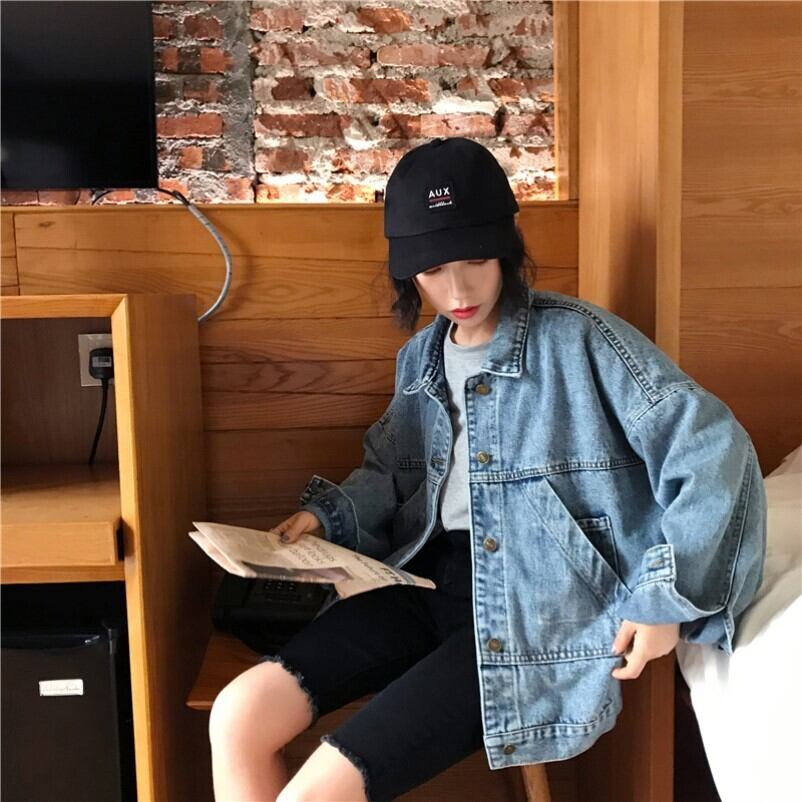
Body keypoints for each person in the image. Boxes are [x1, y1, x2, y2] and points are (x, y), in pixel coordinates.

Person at [208, 137, 767, 802]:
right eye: (433, 269)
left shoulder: (583, 342)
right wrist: (324, 518)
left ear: (505, 246)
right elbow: (393, 472)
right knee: (235, 715)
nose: (458, 289)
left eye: (475, 259)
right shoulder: (421, 359)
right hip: (424, 585)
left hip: (532, 609)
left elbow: (713, 452)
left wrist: (666, 598)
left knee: (314, 794)